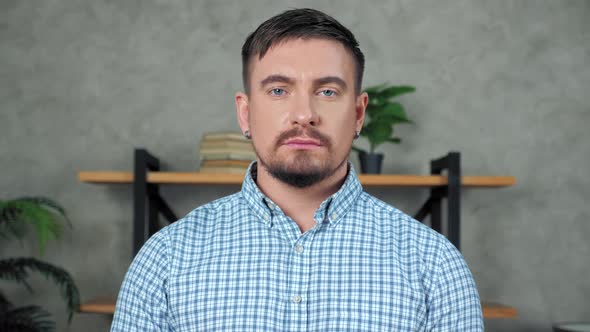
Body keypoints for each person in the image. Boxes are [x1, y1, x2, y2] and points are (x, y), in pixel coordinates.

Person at [111, 8, 483, 331]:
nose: (304, 114)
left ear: (357, 113)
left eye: (327, 92)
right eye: (277, 90)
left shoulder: (434, 264)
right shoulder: (165, 257)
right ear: (245, 113)